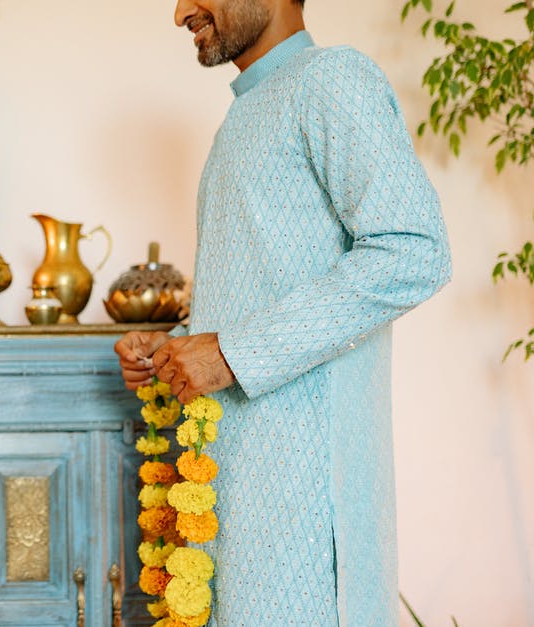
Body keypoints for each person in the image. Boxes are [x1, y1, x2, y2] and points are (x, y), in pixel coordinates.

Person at [115, 0, 452, 624]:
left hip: (303, 496)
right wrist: (176, 346)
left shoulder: (331, 78)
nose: (181, 11)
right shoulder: (244, 114)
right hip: (235, 480)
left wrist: (228, 354)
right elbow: (259, 289)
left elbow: (413, 251)